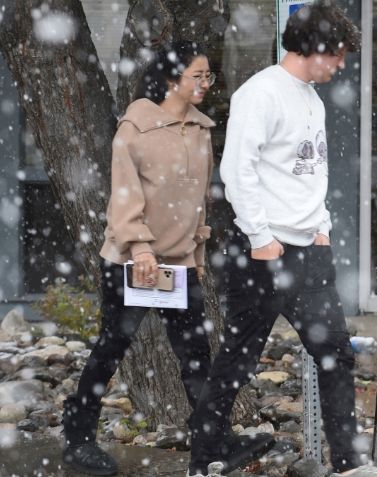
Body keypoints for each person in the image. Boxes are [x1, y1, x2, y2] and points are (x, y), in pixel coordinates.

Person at [61, 41, 272, 476]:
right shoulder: (135, 129)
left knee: (196, 355)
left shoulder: (199, 129)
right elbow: (124, 195)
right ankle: (77, 440)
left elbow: (196, 201)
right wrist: (139, 249)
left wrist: (195, 254)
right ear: (173, 79)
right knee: (111, 349)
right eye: (198, 77)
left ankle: (213, 442)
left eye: (208, 76)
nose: (206, 85)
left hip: (176, 265)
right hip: (132, 264)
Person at [186, 2, 374, 475]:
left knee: (335, 354)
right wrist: (260, 237)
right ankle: (202, 459)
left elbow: (313, 172)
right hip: (263, 253)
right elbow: (236, 169)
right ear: (316, 49)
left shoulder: (312, 98)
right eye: (339, 55)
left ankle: (350, 465)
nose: (342, 65)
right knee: (238, 359)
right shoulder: (262, 92)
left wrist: (323, 229)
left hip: (310, 251)